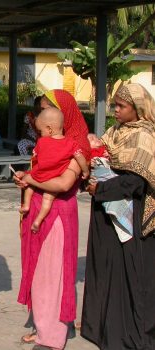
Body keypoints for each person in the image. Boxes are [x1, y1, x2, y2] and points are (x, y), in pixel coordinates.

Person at [15, 88, 90, 349]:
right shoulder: (46, 143)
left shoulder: (75, 146)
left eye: (49, 108)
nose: (42, 114)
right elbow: (39, 170)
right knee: (39, 272)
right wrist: (26, 178)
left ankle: (53, 336)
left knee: (53, 274)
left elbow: (62, 183)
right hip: (38, 210)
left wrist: (30, 179)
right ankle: (42, 327)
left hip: (58, 214)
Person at [81, 83, 155, 349]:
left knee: (132, 279)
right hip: (106, 215)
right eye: (115, 105)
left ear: (138, 109)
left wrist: (100, 188)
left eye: (121, 106)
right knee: (108, 274)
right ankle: (109, 334)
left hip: (132, 219)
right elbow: (98, 157)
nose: (116, 111)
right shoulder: (114, 132)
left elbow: (136, 181)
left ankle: (133, 338)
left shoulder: (145, 136)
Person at [20, 107, 89, 232]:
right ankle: (38, 220)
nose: (39, 135)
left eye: (40, 131)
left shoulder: (41, 142)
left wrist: (28, 176)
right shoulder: (71, 143)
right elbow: (80, 157)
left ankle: (26, 204)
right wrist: (85, 170)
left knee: (29, 186)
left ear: (49, 129)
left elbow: (35, 158)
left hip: (39, 175)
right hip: (55, 177)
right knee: (48, 198)